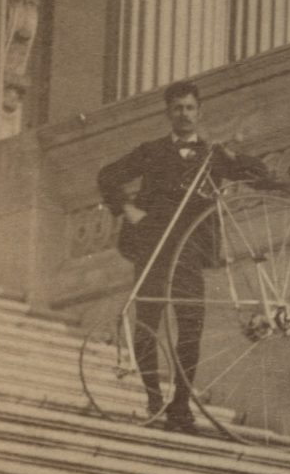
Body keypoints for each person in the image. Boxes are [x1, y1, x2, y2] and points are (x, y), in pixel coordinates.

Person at [96, 82, 270, 432]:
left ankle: (180, 406)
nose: (184, 115)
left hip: (189, 252)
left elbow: (255, 172)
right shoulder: (152, 151)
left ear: (199, 112)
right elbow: (108, 176)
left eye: (190, 108)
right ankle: (153, 401)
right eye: (178, 109)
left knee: (191, 327)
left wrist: (239, 157)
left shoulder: (212, 155)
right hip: (153, 248)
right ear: (168, 114)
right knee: (147, 322)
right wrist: (127, 209)